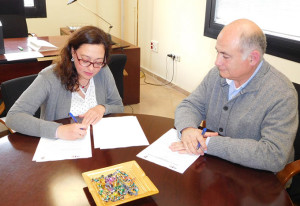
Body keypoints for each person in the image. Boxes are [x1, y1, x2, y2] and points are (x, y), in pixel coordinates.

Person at [170, 19, 298, 173]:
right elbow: (190, 105)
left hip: (258, 177)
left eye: (225, 56)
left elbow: (273, 156)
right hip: (216, 164)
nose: (217, 62)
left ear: (252, 58)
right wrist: (188, 128)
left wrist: (209, 143)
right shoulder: (217, 75)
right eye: (217, 51)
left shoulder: (282, 93)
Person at [6, 26, 124, 140]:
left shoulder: (103, 71)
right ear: (73, 52)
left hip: (96, 145)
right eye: (85, 60)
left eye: (98, 61)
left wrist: (102, 108)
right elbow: (14, 117)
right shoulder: (49, 77)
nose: (91, 68)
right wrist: (58, 130)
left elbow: (118, 107)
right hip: (61, 147)